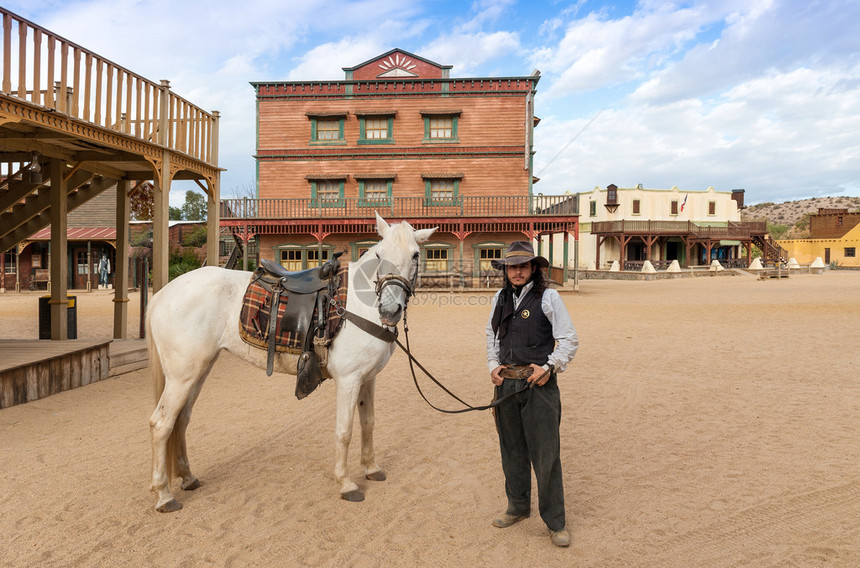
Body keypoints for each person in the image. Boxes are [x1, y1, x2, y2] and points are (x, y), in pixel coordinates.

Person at [485, 241, 579, 547]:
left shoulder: (549, 296)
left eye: (523, 266)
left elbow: (568, 339)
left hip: (538, 384)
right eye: (512, 267)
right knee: (511, 449)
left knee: (546, 454)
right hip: (507, 385)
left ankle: (555, 521)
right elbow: (491, 335)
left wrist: (549, 367)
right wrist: (493, 365)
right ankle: (518, 507)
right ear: (506, 270)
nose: (517, 272)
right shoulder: (500, 297)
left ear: (533, 268)